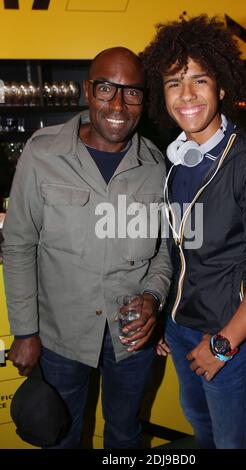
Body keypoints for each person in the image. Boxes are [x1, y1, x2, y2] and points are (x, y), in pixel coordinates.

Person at [140, 15, 246, 449]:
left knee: (233, 443)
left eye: (199, 80)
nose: (186, 94)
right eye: (174, 82)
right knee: (204, 434)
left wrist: (224, 345)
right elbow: (180, 251)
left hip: (230, 338)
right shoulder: (177, 163)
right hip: (182, 331)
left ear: (222, 87)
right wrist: (168, 318)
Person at [2, 47, 172, 449]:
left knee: (125, 434)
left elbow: (164, 250)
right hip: (61, 339)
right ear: (86, 91)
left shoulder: (156, 166)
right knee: (62, 439)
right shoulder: (43, 153)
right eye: (106, 89)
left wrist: (153, 295)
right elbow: (20, 245)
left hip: (131, 341)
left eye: (131, 92)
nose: (117, 103)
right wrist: (25, 331)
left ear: (143, 100)